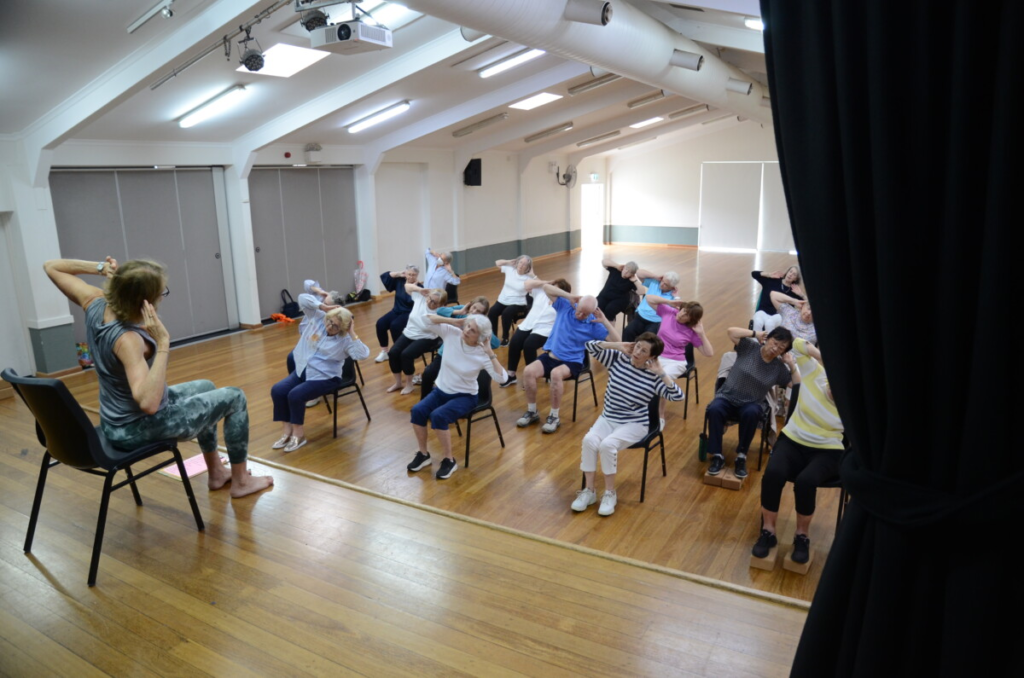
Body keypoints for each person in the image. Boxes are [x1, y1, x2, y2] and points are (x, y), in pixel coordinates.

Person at [42, 256, 272, 497]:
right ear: (146, 302)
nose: (163, 296)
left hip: (114, 420)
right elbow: (149, 404)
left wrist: (101, 268)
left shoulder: (94, 302)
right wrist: (162, 343)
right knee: (235, 397)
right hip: (134, 428)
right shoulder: (127, 340)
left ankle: (216, 472)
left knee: (206, 387)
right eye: (162, 293)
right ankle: (241, 483)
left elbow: (51, 267)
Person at [572, 333, 684, 516]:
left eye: (644, 351)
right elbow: (589, 345)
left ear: (652, 357)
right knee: (589, 440)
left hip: (635, 423)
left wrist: (662, 373)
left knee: (608, 445)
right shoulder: (619, 359)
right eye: (638, 346)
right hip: (608, 417)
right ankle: (589, 492)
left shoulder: (654, 377)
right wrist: (618, 345)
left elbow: (678, 396)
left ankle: (610, 494)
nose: (638, 352)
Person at [753, 338, 842, 565]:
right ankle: (768, 531)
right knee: (773, 473)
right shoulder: (814, 370)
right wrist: (826, 360)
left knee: (806, 481)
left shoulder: (856, 389)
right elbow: (797, 342)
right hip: (793, 439)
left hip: (828, 448)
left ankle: (802, 536)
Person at [406, 314, 507, 480]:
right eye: (468, 326)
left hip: (466, 396)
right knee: (417, 411)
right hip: (441, 391)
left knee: (438, 416)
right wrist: (453, 321)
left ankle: (449, 460)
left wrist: (489, 352)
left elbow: (502, 379)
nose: (467, 330)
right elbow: (423, 319)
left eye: (472, 330)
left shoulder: (482, 354)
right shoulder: (452, 333)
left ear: (480, 337)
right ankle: (423, 454)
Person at [270, 296, 369, 452]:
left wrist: (352, 332)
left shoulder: (346, 339)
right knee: (278, 390)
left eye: (335, 326)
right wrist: (323, 307)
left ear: (343, 328)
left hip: (326, 377)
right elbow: (302, 298)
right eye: (329, 321)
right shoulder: (318, 319)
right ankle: (286, 431)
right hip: (304, 370)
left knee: (295, 395)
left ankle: (298, 435)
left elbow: (362, 355)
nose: (329, 326)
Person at [516, 285, 612, 434]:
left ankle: (554, 417)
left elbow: (618, 341)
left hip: (572, 362)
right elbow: (547, 288)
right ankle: (532, 412)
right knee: (528, 371)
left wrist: (605, 321)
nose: (579, 314)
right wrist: (569, 296)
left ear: (592, 313)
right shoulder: (566, 306)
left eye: (585, 314)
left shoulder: (594, 324)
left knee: (556, 374)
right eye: (579, 310)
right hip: (551, 356)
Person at [705, 326, 795, 479]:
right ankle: (717, 455)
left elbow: (795, 384)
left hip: (751, 403)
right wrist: (755, 333)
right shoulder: (750, 347)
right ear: (767, 339)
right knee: (714, 408)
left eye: (781, 348)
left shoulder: (778, 368)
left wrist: (791, 365)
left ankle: (741, 456)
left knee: (752, 412)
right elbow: (730, 331)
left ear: (784, 352)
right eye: (774, 342)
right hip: (727, 397)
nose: (775, 348)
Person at [644, 294, 715, 428]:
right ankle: (641, 412)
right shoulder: (669, 312)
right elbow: (648, 298)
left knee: (661, 379)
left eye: (687, 315)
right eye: (683, 310)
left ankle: (660, 414)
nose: (682, 315)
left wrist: (702, 334)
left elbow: (709, 353)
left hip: (675, 362)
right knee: (639, 374)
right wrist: (668, 301)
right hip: (656, 357)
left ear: (692, 320)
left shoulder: (692, 331)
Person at [419, 296, 498, 396]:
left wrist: (484, 328)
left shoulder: (481, 324)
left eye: (479, 311)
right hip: (446, 352)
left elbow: (496, 343)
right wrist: (458, 313)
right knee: (428, 374)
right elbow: (438, 311)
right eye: (473, 307)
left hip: (464, 358)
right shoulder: (461, 310)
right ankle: (425, 402)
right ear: (470, 305)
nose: (474, 312)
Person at [502, 278, 571, 388]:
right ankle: (511, 375)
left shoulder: (563, 303)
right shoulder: (541, 292)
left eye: (555, 289)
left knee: (529, 345)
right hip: (528, 324)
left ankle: (531, 376)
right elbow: (527, 284)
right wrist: (546, 282)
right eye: (552, 287)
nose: (552, 290)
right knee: (515, 342)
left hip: (545, 329)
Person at [387, 285, 447, 395]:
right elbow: (406, 286)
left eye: (434, 302)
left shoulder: (440, 312)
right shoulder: (421, 298)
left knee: (406, 355)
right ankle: (398, 383)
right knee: (393, 353)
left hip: (427, 338)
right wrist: (420, 290)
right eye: (430, 298)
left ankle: (409, 385)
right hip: (409, 333)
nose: (429, 302)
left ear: (440, 304)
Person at [374, 264, 421, 363]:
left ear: (417, 275)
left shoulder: (419, 287)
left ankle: (398, 351)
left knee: (395, 325)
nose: (411, 277)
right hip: (396, 310)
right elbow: (385, 275)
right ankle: (384, 352)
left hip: (409, 312)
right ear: (406, 273)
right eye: (409, 274)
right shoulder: (400, 281)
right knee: (380, 323)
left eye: (414, 275)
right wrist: (399, 273)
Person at [488, 255, 535, 346]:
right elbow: (497, 262)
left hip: (518, 303)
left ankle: (505, 338)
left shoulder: (528, 278)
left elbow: (540, 286)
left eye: (524, 264)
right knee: (492, 312)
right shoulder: (510, 269)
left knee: (506, 313)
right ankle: (493, 337)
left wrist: (533, 275)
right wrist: (509, 262)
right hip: (503, 300)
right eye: (520, 262)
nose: (521, 265)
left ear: (528, 267)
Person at [622, 269, 680, 341]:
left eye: (666, 284)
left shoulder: (672, 296)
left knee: (648, 340)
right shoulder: (655, 282)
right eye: (662, 281)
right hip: (640, 317)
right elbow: (638, 272)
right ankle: (625, 352)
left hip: (655, 322)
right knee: (628, 332)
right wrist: (655, 276)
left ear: (672, 287)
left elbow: (677, 310)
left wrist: (676, 296)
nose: (662, 284)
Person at [751, 267, 803, 332]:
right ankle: (756, 341)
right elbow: (754, 274)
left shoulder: (794, 291)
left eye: (794, 274)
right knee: (758, 321)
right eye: (790, 271)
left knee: (769, 323)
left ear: (796, 279)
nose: (790, 274)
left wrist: (801, 294)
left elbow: (807, 305)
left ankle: (768, 341)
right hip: (763, 311)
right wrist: (768, 274)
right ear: (787, 272)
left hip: (779, 316)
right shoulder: (773, 280)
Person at [596, 258, 639, 323]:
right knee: (597, 307)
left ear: (632, 275)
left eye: (629, 272)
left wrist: (635, 281)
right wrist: (616, 265)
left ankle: (610, 331)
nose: (626, 272)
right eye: (626, 269)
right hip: (605, 295)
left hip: (619, 300)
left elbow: (642, 291)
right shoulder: (616, 270)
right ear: (624, 267)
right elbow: (604, 262)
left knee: (610, 310)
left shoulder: (631, 281)